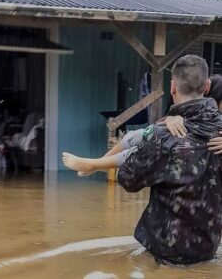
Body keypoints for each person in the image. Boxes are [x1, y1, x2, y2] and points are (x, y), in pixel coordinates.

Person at [117, 55, 222, 264]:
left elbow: (128, 180)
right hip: (209, 247)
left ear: (172, 87)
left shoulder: (163, 135)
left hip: (167, 251)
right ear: (207, 86)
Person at [62, 73, 222, 176]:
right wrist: (170, 119)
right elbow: (175, 119)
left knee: (145, 148)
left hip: (193, 158)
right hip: (186, 149)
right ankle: (99, 163)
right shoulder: (198, 112)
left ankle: (94, 165)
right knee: (139, 135)